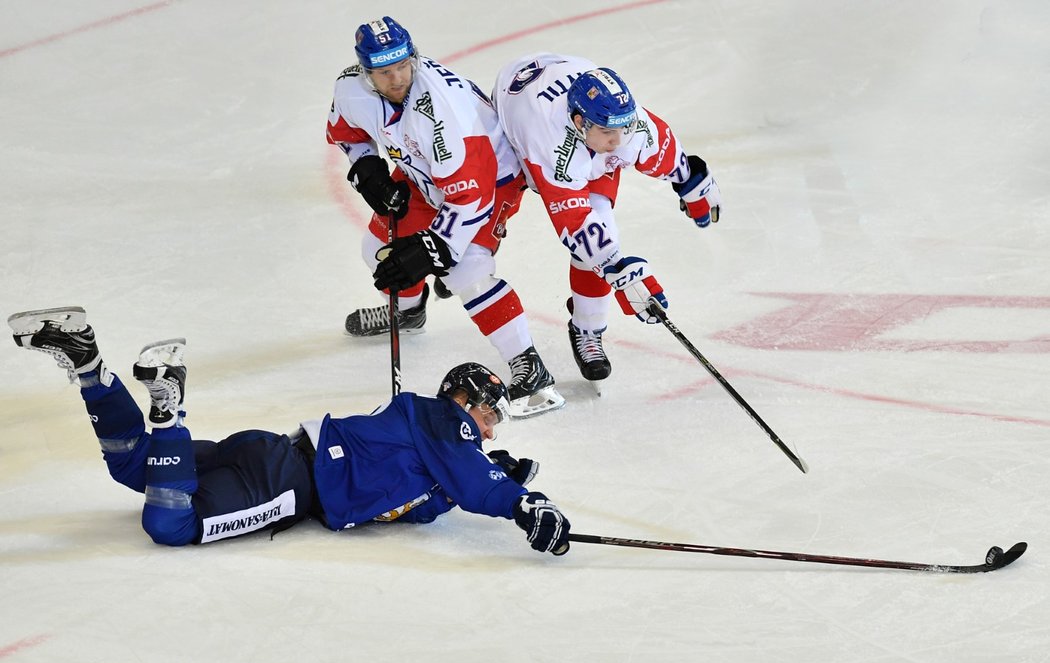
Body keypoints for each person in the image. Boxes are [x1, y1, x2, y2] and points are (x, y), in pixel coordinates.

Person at [7, 306, 571, 554]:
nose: (491, 434)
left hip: (274, 452)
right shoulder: (446, 422)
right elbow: (476, 481)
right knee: (171, 524)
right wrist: (524, 504)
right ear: (463, 400)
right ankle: (168, 406)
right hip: (288, 487)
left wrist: (495, 478)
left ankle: (86, 362)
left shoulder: (435, 441)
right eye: (491, 415)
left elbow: (426, 501)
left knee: (135, 466)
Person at [327, 17, 563, 417]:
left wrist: (434, 249)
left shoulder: (443, 112)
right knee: (377, 250)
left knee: (465, 271)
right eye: (385, 72)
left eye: (403, 65)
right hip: (424, 172)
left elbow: (470, 194)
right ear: (367, 73)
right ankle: (409, 310)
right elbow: (347, 132)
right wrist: (367, 169)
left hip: (490, 180)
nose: (398, 78)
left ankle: (530, 367)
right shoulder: (350, 88)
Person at [491, 54, 723, 391]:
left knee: (604, 230)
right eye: (607, 131)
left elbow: (664, 150)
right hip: (513, 128)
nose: (618, 139)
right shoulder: (546, 138)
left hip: (567, 109)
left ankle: (588, 326)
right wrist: (617, 269)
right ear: (579, 121)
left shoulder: (629, 125)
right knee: (489, 217)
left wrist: (689, 178)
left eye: (623, 127)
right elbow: (572, 220)